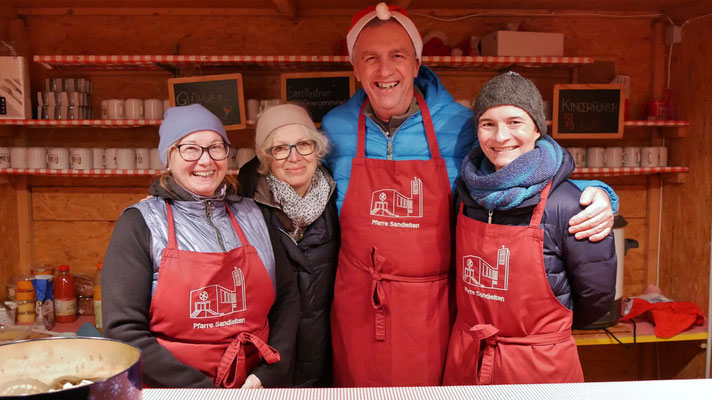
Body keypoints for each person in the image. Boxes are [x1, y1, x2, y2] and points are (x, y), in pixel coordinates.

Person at [321, 2, 618, 387]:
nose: (384, 70)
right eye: (370, 58)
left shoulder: (462, 126)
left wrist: (601, 195)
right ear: (355, 68)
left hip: (435, 310)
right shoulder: (334, 127)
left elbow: (524, 166)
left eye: (397, 55)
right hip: (359, 305)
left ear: (416, 63)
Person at [102, 104, 298, 388]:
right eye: (190, 148)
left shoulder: (254, 214)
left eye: (216, 147)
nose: (205, 160)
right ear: (168, 157)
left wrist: (268, 374)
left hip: (254, 387)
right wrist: (203, 392)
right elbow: (123, 330)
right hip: (175, 390)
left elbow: (287, 299)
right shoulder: (140, 224)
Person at [443, 72, 617, 385]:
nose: (500, 137)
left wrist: (544, 336)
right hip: (469, 360)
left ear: (537, 128)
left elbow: (596, 298)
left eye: (514, 122)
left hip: (539, 368)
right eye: (488, 124)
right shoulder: (466, 194)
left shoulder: (572, 205)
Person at [238, 104, 339, 387]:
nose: (294, 157)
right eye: (280, 148)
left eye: (304, 145)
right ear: (266, 157)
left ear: (317, 149)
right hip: (267, 357)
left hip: (326, 350)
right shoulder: (244, 206)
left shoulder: (338, 198)